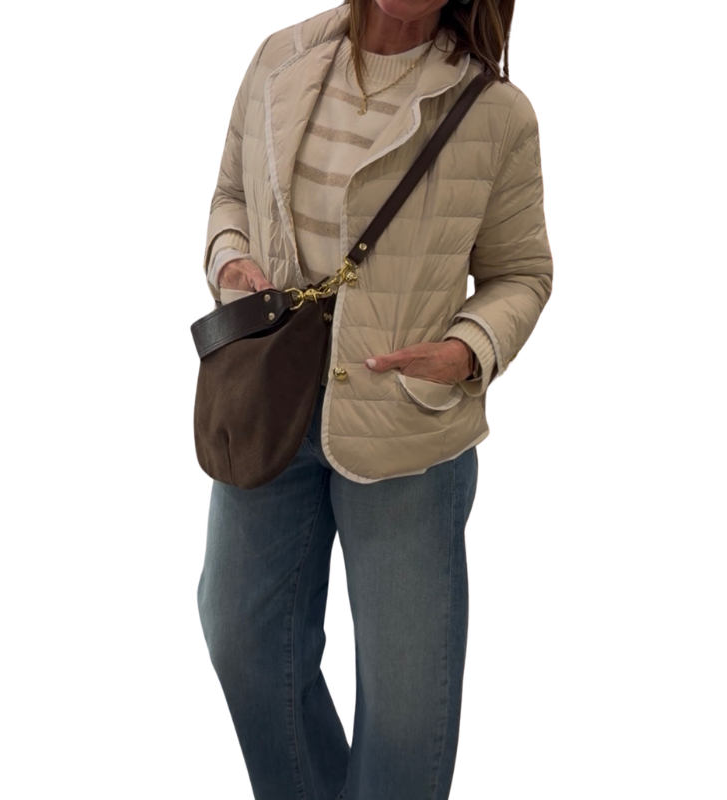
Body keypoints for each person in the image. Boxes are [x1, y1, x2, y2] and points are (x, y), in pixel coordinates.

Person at [197, 1, 552, 798]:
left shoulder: (495, 114)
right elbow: (228, 200)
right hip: (270, 407)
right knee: (241, 639)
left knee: (403, 718)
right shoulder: (279, 61)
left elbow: (522, 273)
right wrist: (231, 265)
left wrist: (467, 350)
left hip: (405, 430)